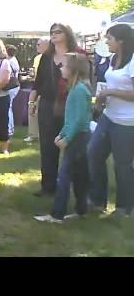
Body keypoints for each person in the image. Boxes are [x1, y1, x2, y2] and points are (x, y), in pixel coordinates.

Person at [34, 53, 92, 223]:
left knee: (65, 175)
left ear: (73, 69)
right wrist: (62, 133)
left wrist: (67, 138)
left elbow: (80, 119)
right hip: (77, 135)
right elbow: (71, 117)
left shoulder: (80, 90)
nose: (61, 68)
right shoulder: (75, 88)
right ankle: (81, 209)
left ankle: (57, 214)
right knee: (79, 174)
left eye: (65, 66)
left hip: (78, 137)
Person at [87, 24, 134, 216]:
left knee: (122, 164)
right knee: (93, 153)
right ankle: (98, 200)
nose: (106, 42)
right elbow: (111, 83)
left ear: (121, 40)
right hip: (108, 116)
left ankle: (125, 207)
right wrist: (102, 99)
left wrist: (110, 92)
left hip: (127, 122)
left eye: (109, 38)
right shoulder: (114, 58)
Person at [29, 23, 77, 197]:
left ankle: (72, 185)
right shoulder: (46, 57)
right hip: (48, 104)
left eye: (58, 32)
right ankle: (48, 185)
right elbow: (38, 82)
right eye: (51, 32)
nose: (54, 35)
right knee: (47, 146)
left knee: (72, 145)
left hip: (70, 104)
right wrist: (32, 102)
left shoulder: (76, 55)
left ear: (67, 34)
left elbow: (85, 80)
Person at [24, 37, 50, 143]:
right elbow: (36, 74)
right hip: (36, 86)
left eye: (39, 44)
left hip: (45, 90)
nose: (37, 46)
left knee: (41, 112)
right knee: (32, 110)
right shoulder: (38, 58)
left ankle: (44, 134)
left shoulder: (50, 58)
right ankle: (33, 134)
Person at [5, 44, 21, 137]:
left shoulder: (9, 61)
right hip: (14, 85)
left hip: (10, 86)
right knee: (8, 107)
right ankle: (10, 128)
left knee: (8, 107)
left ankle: (9, 129)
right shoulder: (14, 60)